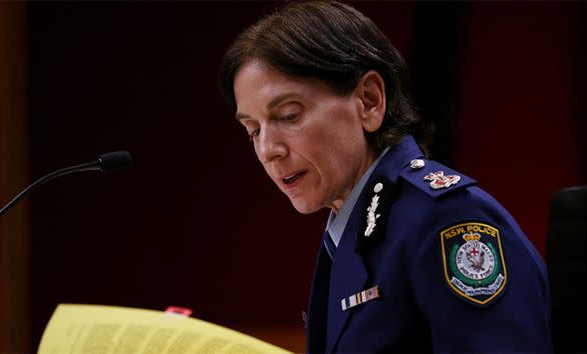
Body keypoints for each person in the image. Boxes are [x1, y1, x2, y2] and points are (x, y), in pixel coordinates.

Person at [219, 1, 552, 353]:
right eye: (253, 130)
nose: (269, 149)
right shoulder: (353, 227)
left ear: (369, 100)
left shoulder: (447, 220)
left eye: (288, 115)